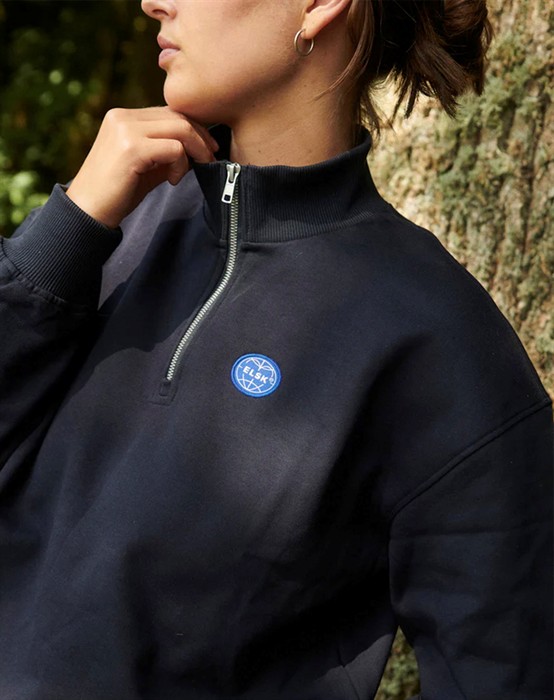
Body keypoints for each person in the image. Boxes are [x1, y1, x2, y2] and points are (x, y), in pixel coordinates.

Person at [0, 0, 551, 698]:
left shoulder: (438, 340)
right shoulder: (104, 229)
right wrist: (63, 234)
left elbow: (505, 669)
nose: (152, 2)